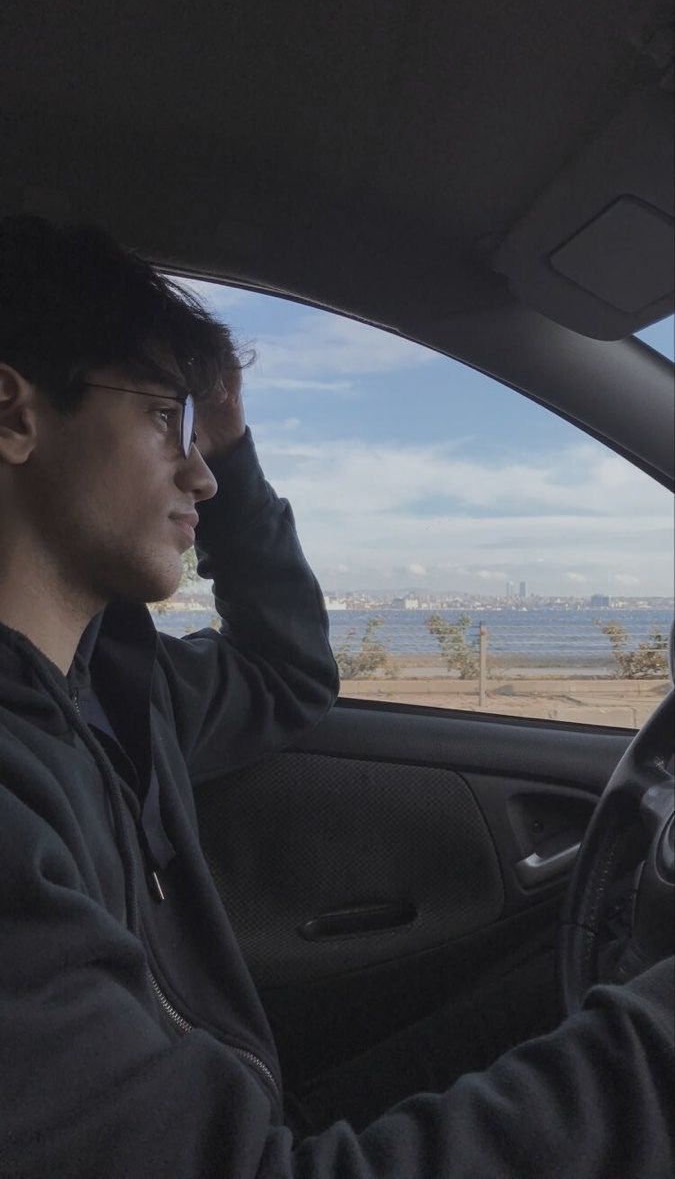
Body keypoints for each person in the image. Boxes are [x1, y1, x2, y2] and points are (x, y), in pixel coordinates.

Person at [0, 216, 672, 1179]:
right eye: (162, 418)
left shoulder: (113, 685)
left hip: (247, 1104)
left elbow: (287, 673)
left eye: (201, 436)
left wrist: (231, 445)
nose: (200, 473)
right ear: (15, 416)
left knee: (545, 963)